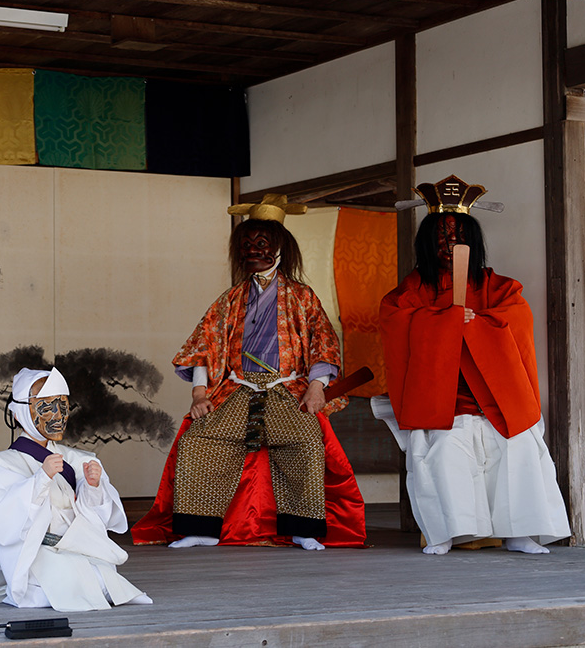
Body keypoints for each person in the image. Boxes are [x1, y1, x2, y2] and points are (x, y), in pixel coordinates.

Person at [132, 195, 366, 550]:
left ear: (280, 249)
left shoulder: (303, 298)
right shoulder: (230, 299)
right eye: (247, 245)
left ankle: (303, 529)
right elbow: (204, 346)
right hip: (236, 388)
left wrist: (317, 386)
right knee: (200, 441)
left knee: (303, 444)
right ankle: (200, 529)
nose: (253, 251)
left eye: (262, 244)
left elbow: (323, 343)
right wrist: (199, 393)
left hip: (287, 388)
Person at [373, 175, 570, 555]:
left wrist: (477, 323)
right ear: (426, 244)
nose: (450, 244)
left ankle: (518, 531)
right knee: (445, 456)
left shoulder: (498, 287)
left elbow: (515, 318)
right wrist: (445, 321)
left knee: (517, 452)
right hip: (445, 400)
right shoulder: (409, 293)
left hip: (495, 397)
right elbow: (398, 323)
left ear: (473, 243)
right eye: (441, 237)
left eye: (458, 236)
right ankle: (445, 532)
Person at [0, 367, 151, 612]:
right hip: (36, 555)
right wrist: (40, 479)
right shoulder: (2, 463)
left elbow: (102, 519)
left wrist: (92, 488)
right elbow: (3, 523)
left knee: (102, 583)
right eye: (47, 407)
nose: (58, 416)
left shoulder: (78, 459)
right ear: (18, 414)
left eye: (63, 406)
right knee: (61, 590)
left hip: (79, 548)